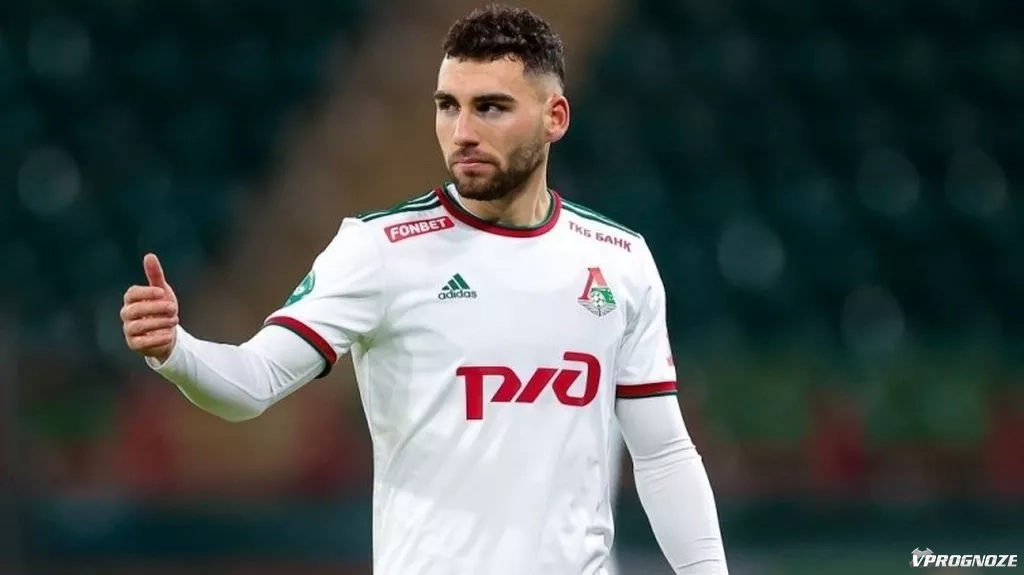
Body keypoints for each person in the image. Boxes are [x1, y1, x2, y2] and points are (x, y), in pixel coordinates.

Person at [119, 5, 728, 574]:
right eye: (448, 106)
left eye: (490, 108)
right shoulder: (379, 250)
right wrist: (177, 351)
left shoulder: (619, 260)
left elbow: (662, 455)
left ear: (555, 118)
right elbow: (253, 384)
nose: (462, 131)